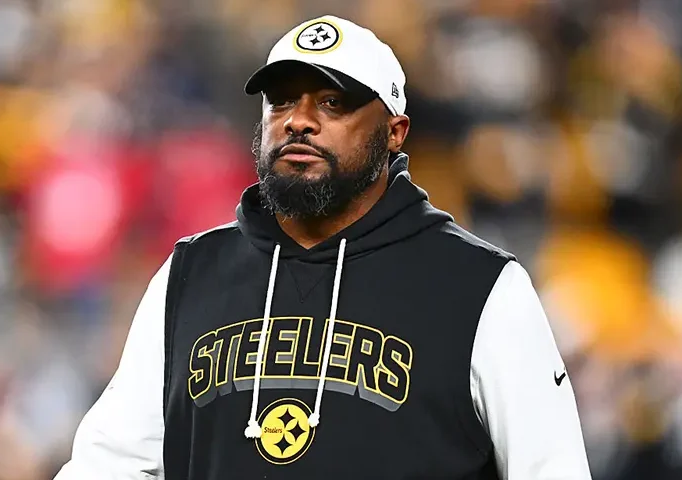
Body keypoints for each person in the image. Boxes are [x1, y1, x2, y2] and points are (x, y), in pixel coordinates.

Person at [54, 15, 593, 480]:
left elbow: (550, 468)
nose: (299, 120)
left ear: (395, 131)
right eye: (282, 100)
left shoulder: (479, 286)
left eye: (333, 103)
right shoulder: (190, 273)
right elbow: (109, 463)